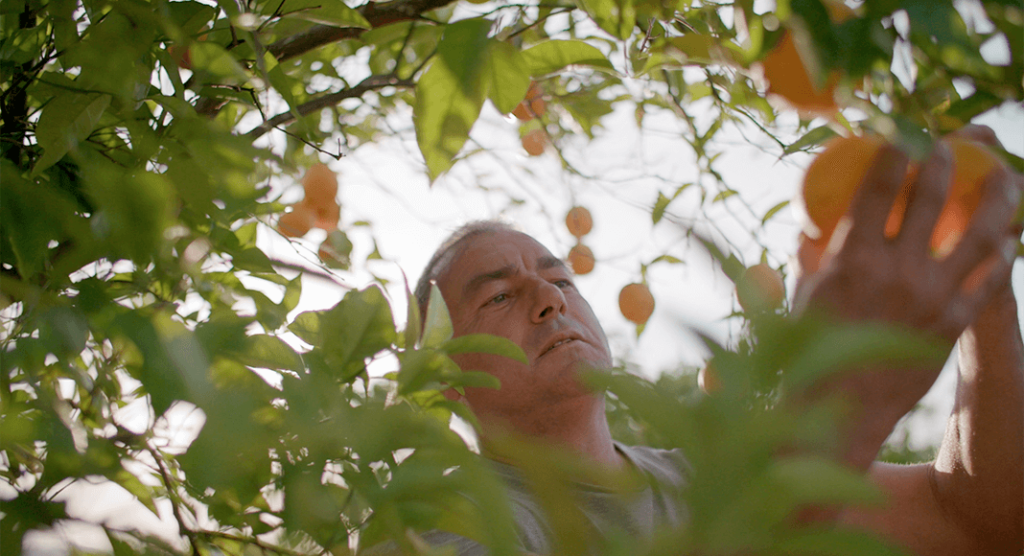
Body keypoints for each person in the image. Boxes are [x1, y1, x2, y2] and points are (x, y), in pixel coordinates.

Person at [403, 135, 1023, 555]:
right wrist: (841, 410)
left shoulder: (709, 476)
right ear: (444, 377)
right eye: (498, 298)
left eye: (562, 277)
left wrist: (983, 284)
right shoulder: (435, 527)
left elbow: (976, 520)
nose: (551, 298)